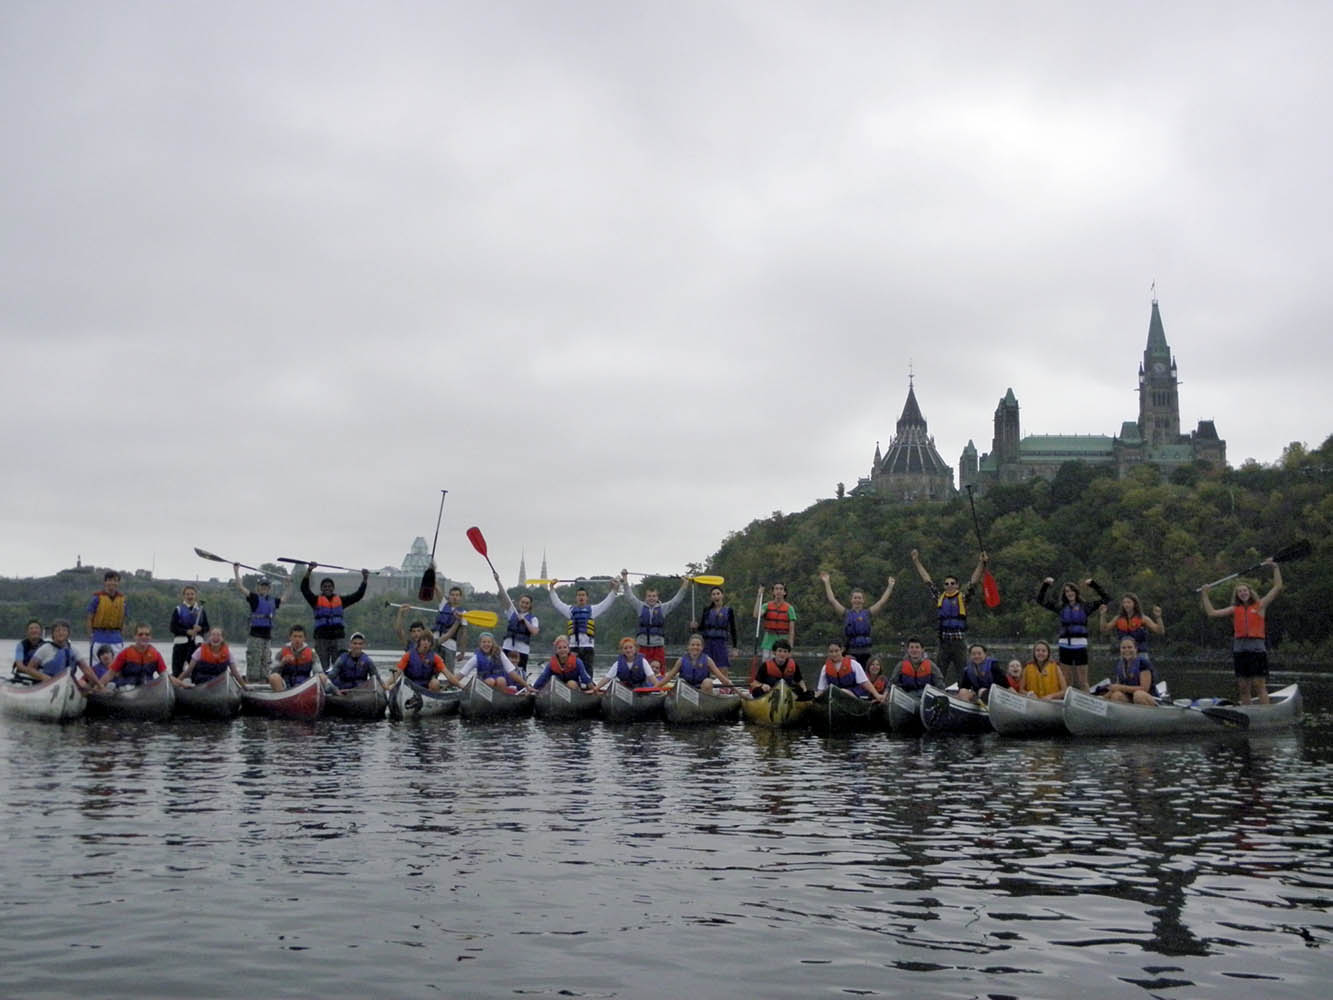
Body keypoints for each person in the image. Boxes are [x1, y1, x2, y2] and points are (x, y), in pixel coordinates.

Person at [1202, 559, 1282, 705]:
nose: (1243, 593)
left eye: (1245, 590)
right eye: (1240, 592)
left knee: (1259, 686)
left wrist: (1275, 568)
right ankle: (1248, 712)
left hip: (1257, 650)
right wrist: (1205, 595)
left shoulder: (1260, 605)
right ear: (1237, 595)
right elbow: (1211, 613)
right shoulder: (1234, 609)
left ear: (1250, 592)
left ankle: (1265, 714)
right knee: (1243, 688)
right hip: (1240, 650)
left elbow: (1277, 587)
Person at [909, 549, 987, 682]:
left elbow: (974, 581)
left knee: (963, 672)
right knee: (939, 672)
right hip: (944, 642)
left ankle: (965, 692)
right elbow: (927, 581)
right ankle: (937, 692)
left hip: (959, 642)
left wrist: (981, 563)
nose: (949, 586)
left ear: (957, 585)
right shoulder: (940, 598)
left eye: (952, 583)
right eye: (946, 584)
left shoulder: (962, 598)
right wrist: (916, 561)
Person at [1035, 576, 1109, 692]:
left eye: (1072, 590)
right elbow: (1040, 600)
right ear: (1064, 594)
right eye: (1067, 591)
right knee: (1066, 680)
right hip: (1065, 647)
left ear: (1076, 592)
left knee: (1082, 681)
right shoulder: (1061, 607)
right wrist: (1045, 585)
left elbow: (1106, 598)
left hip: (1080, 647)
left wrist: (1093, 584)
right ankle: (1066, 702)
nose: (1069, 593)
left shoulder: (1086, 607)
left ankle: (1087, 703)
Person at [300, 562, 369, 670]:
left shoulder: (341, 601)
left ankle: (340, 684)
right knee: (323, 667)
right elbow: (304, 589)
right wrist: (309, 571)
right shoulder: (315, 601)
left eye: (330, 586)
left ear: (333, 588)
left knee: (340, 666)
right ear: (321, 589)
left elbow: (358, 595)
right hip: (322, 638)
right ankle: (322, 682)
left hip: (338, 638)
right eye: (325, 586)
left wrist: (364, 579)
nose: (327, 588)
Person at [819, 572, 895, 666]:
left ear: (863, 600)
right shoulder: (846, 613)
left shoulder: (867, 613)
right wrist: (827, 582)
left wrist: (890, 587)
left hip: (866, 652)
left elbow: (882, 602)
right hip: (851, 652)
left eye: (859, 598)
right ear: (851, 600)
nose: (857, 600)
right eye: (855, 598)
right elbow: (832, 600)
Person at [546, 579, 619, 676]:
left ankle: (588, 688)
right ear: (576, 598)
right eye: (579, 595)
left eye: (583, 595)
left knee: (588, 671)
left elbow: (606, 603)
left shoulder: (593, 610)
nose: (581, 597)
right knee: (572, 671)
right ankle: (573, 687)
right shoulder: (570, 611)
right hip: (573, 647)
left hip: (588, 647)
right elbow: (557, 603)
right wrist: (551, 588)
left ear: (587, 598)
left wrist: (614, 590)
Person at [621, 571, 689, 671]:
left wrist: (684, 585)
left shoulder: (663, 608)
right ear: (645, 597)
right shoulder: (640, 606)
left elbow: (676, 600)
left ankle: (660, 683)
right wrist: (625, 578)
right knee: (641, 669)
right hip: (642, 645)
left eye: (653, 596)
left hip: (658, 646)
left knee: (659, 669)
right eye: (649, 596)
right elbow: (629, 596)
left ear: (657, 597)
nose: (651, 598)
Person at [234, 566, 292, 682]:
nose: (264, 588)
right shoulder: (254, 598)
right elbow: (240, 587)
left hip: (267, 636)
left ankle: (265, 681)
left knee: (266, 661)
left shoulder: (273, 601)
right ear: (258, 587)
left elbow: (285, 598)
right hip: (255, 636)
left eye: (266, 586)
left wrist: (289, 584)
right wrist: (236, 571)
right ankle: (252, 681)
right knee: (255, 660)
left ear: (269, 588)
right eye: (262, 586)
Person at [12, 619, 99, 687]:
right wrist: (44, 677)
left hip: (66, 683)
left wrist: (100, 685)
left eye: (64, 630)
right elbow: (29, 668)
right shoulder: (44, 648)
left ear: (68, 633)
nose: (61, 633)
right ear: (53, 634)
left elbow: (86, 670)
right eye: (58, 631)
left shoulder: (73, 650)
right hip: (45, 682)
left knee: (83, 684)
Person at [492, 573, 540, 675]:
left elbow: (535, 631)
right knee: (504, 671)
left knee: (520, 673)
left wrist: (525, 620)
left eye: (527, 603)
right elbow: (503, 596)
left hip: (522, 650)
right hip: (508, 647)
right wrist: (498, 581)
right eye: (523, 602)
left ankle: (521, 685)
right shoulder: (512, 612)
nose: (524, 605)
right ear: (519, 602)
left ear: (530, 605)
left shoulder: (533, 619)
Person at [658, 634, 737, 693]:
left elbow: (722, 678)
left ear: (702, 647)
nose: (695, 647)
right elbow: (668, 678)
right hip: (686, 691)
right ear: (688, 647)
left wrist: (737, 692)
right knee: (680, 683)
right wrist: (655, 687)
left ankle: (706, 705)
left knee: (708, 682)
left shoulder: (708, 660)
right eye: (693, 645)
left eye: (698, 645)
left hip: (702, 692)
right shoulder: (681, 661)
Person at [100, 623, 169, 689]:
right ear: (135, 637)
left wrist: (179, 684)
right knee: (127, 687)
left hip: (148, 688)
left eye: (147, 634)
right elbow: (110, 674)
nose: (144, 637)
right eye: (140, 634)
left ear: (150, 637)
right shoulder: (125, 653)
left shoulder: (156, 654)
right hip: (128, 687)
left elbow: (165, 675)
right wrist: (98, 686)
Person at [456, 632, 532, 691]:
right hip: (484, 682)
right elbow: (462, 673)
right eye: (484, 642)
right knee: (491, 681)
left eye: (489, 642)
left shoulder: (500, 654)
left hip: (500, 681)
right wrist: (449, 684)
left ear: (492, 644)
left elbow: (512, 672)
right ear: (480, 644)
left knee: (501, 680)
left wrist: (526, 686)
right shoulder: (476, 658)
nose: (486, 644)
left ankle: (501, 699)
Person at [814, 639, 885, 702]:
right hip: (834, 696)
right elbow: (821, 689)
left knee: (841, 691)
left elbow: (865, 682)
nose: (834, 654)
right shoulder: (825, 668)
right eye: (831, 652)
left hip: (854, 693)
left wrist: (877, 695)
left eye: (836, 651)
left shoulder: (853, 664)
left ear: (842, 650)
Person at [175, 627, 247, 689]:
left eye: (218, 635)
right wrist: (177, 682)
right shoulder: (200, 651)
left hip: (220, 683)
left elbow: (235, 672)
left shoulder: (228, 653)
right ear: (209, 638)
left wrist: (244, 687)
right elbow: (188, 671)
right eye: (213, 635)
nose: (215, 637)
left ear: (223, 639)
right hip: (202, 681)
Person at [1100, 594, 1165, 661]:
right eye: (1124, 602)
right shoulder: (1118, 618)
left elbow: (1160, 631)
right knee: (1125, 671)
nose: (1126, 605)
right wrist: (1103, 615)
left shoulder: (1143, 618)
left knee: (1143, 670)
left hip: (1140, 654)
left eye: (1129, 602)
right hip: (1125, 655)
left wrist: (1158, 617)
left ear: (1135, 604)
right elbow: (1104, 630)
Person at [392, 633, 464, 692]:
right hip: (410, 686)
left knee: (435, 683)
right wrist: (387, 684)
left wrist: (461, 685)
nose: (426, 643)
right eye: (424, 640)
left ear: (431, 644)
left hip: (426, 688)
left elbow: (448, 675)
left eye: (428, 641)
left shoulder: (435, 658)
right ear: (419, 642)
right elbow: (397, 672)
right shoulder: (408, 655)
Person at [85, 570, 127, 663]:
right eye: (109, 580)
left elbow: (124, 620)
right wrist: (91, 636)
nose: (112, 583)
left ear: (118, 583)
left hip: (116, 639)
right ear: (105, 582)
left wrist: (121, 636)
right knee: (96, 668)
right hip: (99, 637)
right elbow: (89, 618)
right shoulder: (97, 598)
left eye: (115, 580)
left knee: (116, 668)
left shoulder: (122, 600)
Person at [168, 585, 210, 677]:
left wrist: (201, 629)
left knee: (197, 669)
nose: (190, 596)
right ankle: (177, 682)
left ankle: (198, 684)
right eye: (187, 594)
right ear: (184, 596)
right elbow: (173, 628)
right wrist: (187, 631)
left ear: (195, 596)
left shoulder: (201, 610)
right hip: (181, 644)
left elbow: (207, 627)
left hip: (196, 644)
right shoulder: (178, 610)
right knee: (177, 670)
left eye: (192, 594)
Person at [692, 587, 738, 670]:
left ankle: (724, 682)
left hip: (721, 643)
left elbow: (733, 629)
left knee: (723, 669)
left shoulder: (728, 611)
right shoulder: (706, 610)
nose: (716, 596)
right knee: (705, 668)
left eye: (718, 594)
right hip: (707, 643)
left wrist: (734, 648)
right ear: (711, 597)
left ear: (722, 595)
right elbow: (701, 628)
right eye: (713, 594)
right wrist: (695, 627)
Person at [594, 637, 661, 693]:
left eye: (630, 647)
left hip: (640, 690)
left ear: (635, 649)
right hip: (625, 690)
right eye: (625, 648)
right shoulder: (618, 664)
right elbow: (607, 678)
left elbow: (652, 678)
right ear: (622, 650)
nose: (628, 650)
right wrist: (596, 689)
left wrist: (659, 689)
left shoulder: (643, 661)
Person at [1104, 636, 1157, 706]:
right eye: (1123, 648)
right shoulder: (1120, 664)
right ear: (1120, 650)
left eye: (1130, 647)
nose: (1126, 650)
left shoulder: (1143, 663)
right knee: (1116, 695)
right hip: (1130, 698)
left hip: (1148, 697)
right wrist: (1102, 698)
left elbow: (1144, 689)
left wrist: (1121, 687)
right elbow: (1117, 686)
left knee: (1138, 695)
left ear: (1136, 649)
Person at [531, 635, 595, 691]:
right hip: (558, 688)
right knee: (550, 683)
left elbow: (585, 678)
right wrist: (533, 689)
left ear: (568, 649)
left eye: (565, 647)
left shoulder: (577, 662)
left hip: (573, 688)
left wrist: (594, 690)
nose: (562, 650)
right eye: (559, 648)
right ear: (556, 650)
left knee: (571, 683)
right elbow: (543, 678)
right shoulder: (551, 664)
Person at [269, 624, 318, 691]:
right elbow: (272, 672)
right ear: (290, 637)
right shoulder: (281, 653)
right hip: (285, 685)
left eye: (300, 637)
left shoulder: (312, 653)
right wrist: (282, 663)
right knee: (274, 677)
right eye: (295, 636)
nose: (297, 639)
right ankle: (283, 698)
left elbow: (319, 673)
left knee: (322, 676)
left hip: (303, 685)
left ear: (304, 638)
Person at [757, 582, 797, 661]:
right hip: (768, 643)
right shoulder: (766, 606)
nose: (778, 591)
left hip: (782, 643)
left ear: (784, 592)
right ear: (773, 592)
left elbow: (791, 630)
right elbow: (756, 615)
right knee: (767, 668)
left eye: (781, 589)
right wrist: (759, 596)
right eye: (776, 589)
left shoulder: (789, 608)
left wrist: (790, 648)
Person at [432, 585, 470, 668]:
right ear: (449, 596)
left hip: (450, 645)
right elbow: (437, 589)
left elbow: (464, 634)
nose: (454, 597)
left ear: (460, 597)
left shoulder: (463, 613)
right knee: (432, 670)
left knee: (449, 671)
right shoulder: (443, 604)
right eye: (452, 595)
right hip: (436, 642)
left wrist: (462, 652)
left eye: (457, 595)